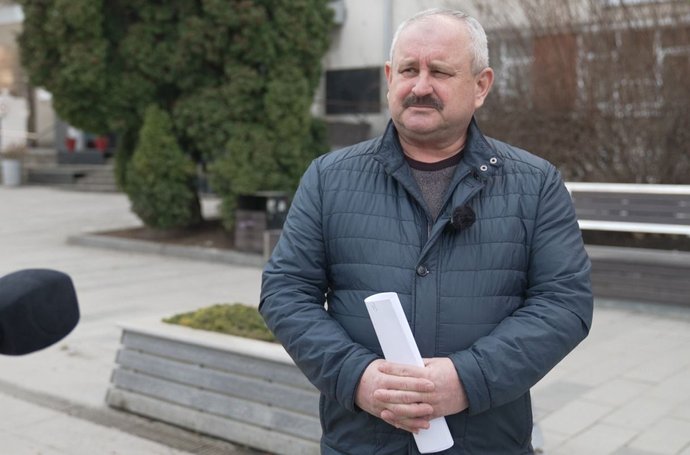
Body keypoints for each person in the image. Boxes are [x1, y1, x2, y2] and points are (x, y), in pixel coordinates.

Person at [260, 8, 593, 454]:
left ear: (481, 85)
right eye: (408, 70)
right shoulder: (328, 178)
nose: (420, 86)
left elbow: (564, 304)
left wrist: (468, 379)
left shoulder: (535, 184)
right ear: (388, 78)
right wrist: (357, 377)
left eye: (439, 71)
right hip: (361, 443)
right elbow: (285, 292)